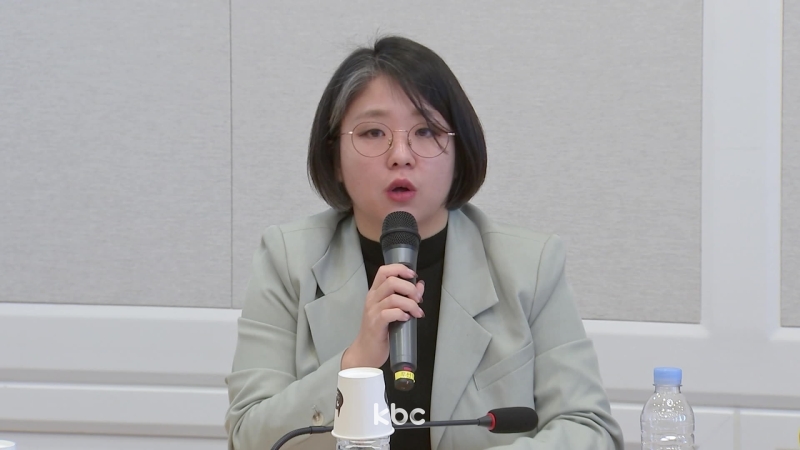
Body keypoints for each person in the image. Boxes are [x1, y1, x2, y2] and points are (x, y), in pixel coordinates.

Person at [225, 36, 624, 450]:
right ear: (334, 158)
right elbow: (249, 437)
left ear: (458, 151)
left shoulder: (529, 266)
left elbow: (590, 430)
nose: (401, 155)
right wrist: (355, 361)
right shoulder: (288, 260)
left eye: (426, 131)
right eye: (373, 132)